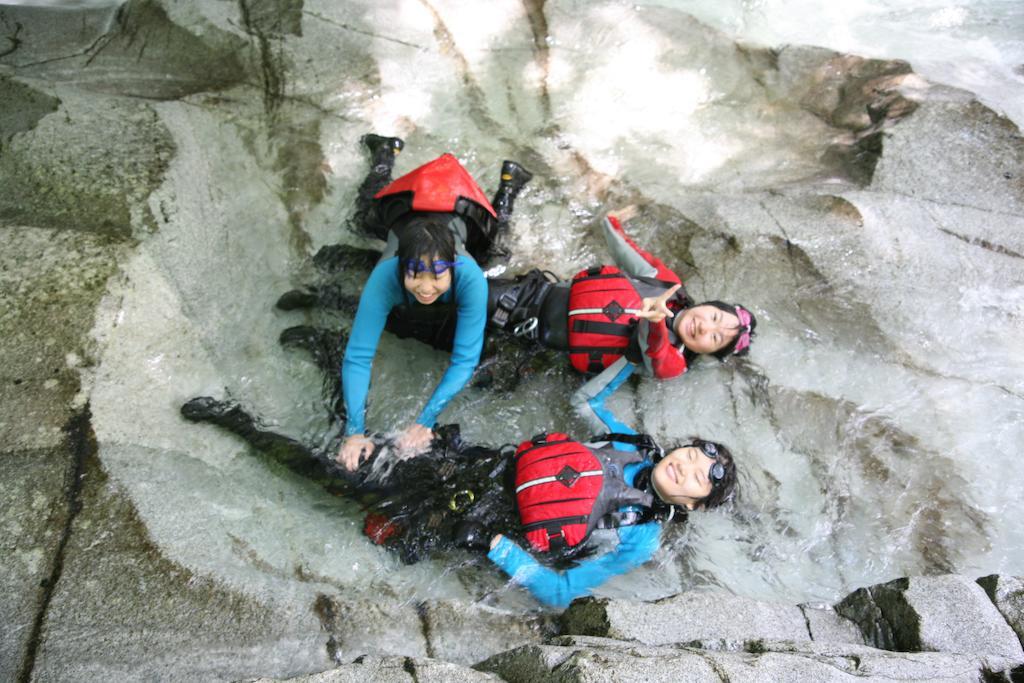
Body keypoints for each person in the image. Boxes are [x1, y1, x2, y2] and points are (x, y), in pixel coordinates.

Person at [179, 394, 738, 609]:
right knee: (364, 453)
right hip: (475, 466)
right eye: (688, 454)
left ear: (691, 505)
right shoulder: (627, 441)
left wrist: (497, 548)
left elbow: (563, 593)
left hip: (478, 525)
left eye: (694, 479)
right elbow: (583, 399)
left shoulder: (638, 537)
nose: (683, 466)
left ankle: (242, 426)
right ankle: (331, 384)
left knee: (343, 487)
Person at [335, 136, 533, 468]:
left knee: (497, 250)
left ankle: (510, 185)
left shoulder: (469, 276)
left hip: (458, 207)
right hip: (408, 210)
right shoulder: (384, 277)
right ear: (400, 267)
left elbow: (464, 360)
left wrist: (426, 420)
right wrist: (354, 432)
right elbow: (357, 357)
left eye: (437, 277)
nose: (426, 288)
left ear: (452, 269)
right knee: (361, 220)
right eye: (415, 276)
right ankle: (384, 153)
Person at [486, 208, 756, 429]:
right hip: (532, 291)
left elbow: (655, 349)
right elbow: (625, 250)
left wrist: (654, 320)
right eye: (713, 316)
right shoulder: (668, 284)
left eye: (715, 337)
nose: (705, 326)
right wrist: (612, 220)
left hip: (527, 336)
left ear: (709, 353)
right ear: (709, 305)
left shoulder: (674, 364)